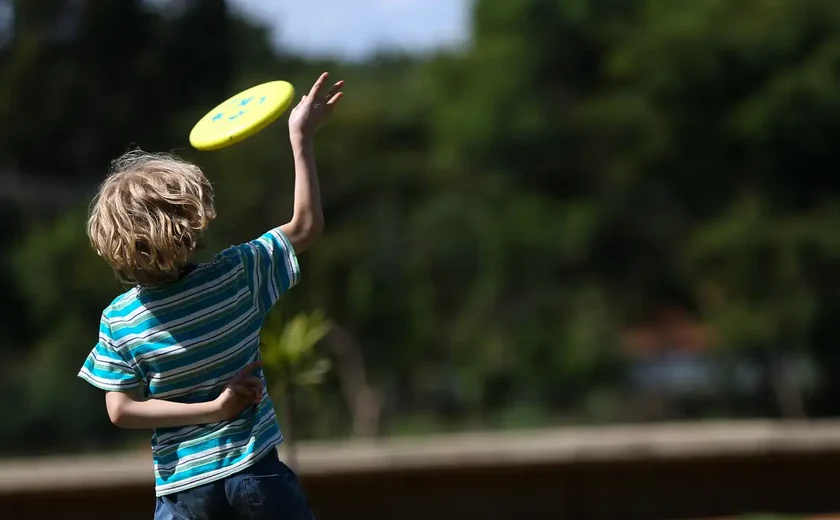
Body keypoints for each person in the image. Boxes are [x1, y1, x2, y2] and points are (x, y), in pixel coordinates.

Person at [77, 72, 344, 519]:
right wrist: (302, 137)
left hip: (183, 492)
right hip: (255, 474)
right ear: (190, 222)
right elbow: (304, 226)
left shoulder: (120, 319)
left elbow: (120, 410)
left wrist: (209, 408)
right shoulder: (235, 276)